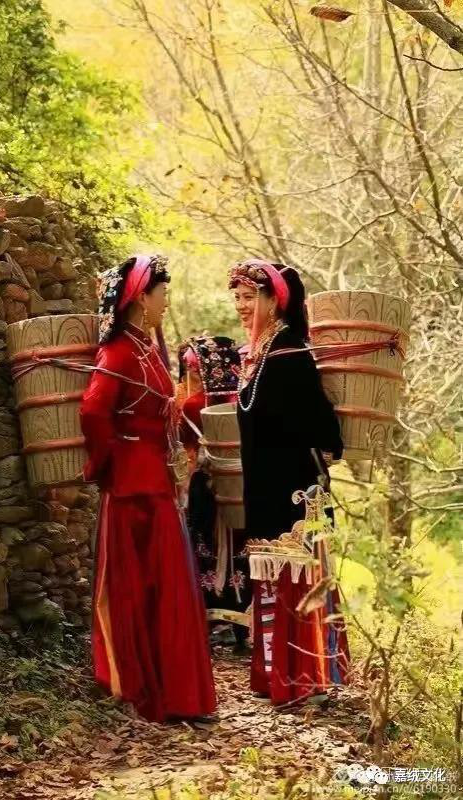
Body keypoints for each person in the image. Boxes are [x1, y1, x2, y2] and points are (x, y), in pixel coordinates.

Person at [80, 254, 216, 723]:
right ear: (141, 297)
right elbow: (93, 411)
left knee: (165, 585)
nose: (166, 302)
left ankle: (175, 691)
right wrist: (107, 462)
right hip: (131, 487)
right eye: (162, 293)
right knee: (138, 587)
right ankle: (143, 686)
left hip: (155, 483)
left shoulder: (146, 348)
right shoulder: (118, 351)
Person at [228, 258, 349, 705]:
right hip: (266, 487)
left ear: (275, 301)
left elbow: (321, 424)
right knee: (272, 578)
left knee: (298, 576)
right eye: (237, 298)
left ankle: (306, 677)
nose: (241, 306)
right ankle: (276, 676)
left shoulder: (292, 354)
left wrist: (327, 447)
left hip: (296, 490)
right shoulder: (259, 356)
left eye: (249, 297)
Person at [175, 337, 251, 652]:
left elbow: (184, 443)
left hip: (205, 485)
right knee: (240, 548)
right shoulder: (245, 401)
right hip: (240, 485)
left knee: (204, 546)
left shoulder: (193, 406)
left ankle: (207, 618)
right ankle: (241, 624)